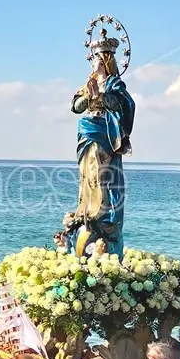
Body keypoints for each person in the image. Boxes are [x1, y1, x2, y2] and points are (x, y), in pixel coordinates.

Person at [59, 19, 136, 258]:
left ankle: (103, 214)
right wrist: (88, 96)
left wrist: (100, 97)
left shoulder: (114, 84)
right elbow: (75, 107)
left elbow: (126, 105)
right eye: (93, 59)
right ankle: (87, 209)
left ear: (106, 60)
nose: (93, 62)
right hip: (88, 132)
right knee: (88, 174)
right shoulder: (88, 83)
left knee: (104, 175)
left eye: (97, 59)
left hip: (105, 134)